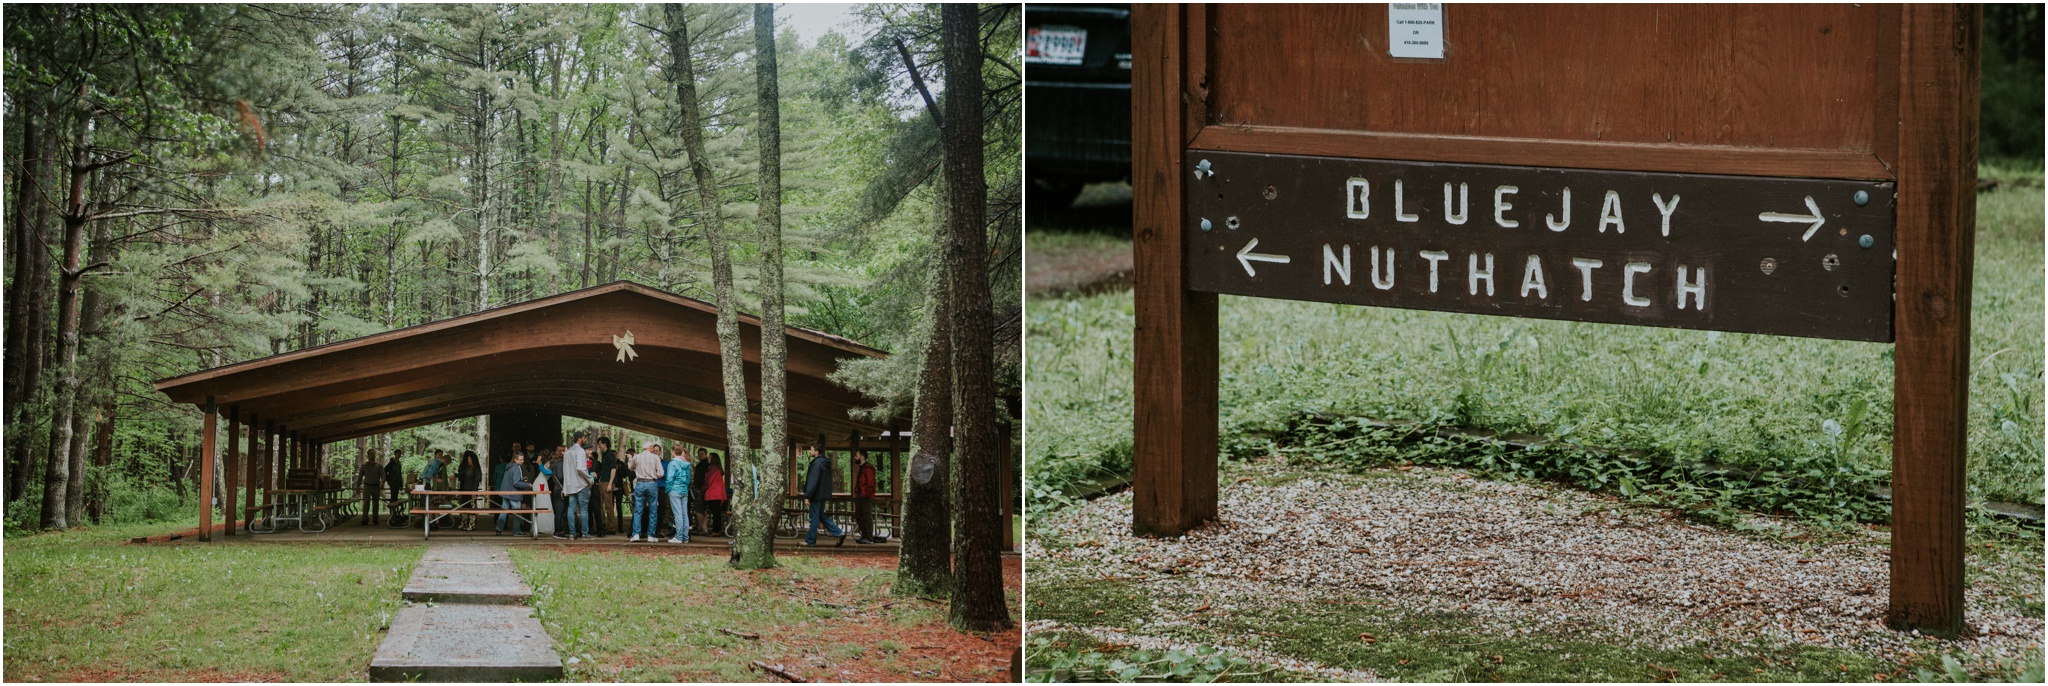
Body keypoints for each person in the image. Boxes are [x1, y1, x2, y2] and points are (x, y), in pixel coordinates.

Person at [801, 443, 847, 547]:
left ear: (816, 452)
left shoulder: (817, 464)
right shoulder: (825, 463)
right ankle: (838, 533)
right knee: (821, 515)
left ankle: (810, 541)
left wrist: (807, 495)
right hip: (823, 495)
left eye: (811, 450)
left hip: (816, 495)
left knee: (813, 518)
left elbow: (813, 481)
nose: (810, 451)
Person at [628, 440, 665, 542]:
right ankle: (651, 535)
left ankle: (636, 534)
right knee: (653, 510)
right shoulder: (655, 457)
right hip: (652, 483)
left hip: (639, 483)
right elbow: (661, 473)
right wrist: (653, 475)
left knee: (638, 510)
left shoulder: (637, 457)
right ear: (651, 447)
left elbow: (631, 468)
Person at [496, 452, 535, 536]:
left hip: (505, 492)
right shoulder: (517, 468)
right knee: (517, 513)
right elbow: (516, 483)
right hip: (514, 493)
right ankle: (516, 531)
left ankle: (498, 529)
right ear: (515, 459)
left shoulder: (509, 467)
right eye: (520, 460)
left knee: (504, 511)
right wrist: (528, 484)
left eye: (523, 459)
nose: (522, 461)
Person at [562, 434, 593, 540]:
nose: (585, 440)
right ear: (579, 439)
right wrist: (589, 479)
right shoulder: (580, 451)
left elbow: (565, 470)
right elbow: (581, 468)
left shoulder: (568, 452)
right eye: (584, 438)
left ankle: (572, 533)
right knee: (584, 509)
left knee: (571, 509)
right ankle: (585, 533)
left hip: (570, 484)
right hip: (580, 484)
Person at [664, 443, 693, 543]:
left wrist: (668, 489)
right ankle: (685, 537)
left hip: (674, 490)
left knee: (678, 514)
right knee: (684, 514)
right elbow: (688, 478)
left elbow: (669, 478)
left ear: (673, 452)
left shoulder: (672, 464)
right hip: (684, 490)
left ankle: (679, 537)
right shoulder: (687, 464)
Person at [852, 450, 879, 543]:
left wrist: (865, 494)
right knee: (859, 516)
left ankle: (869, 537)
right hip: (861, 495)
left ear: (862, 457)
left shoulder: (868, 469)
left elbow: (870, 484)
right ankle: (864, 536)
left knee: (866, 516)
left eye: (857, 456)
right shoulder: (862, 469)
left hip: (865, 496)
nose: (855, 457)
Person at [593, 437, 617, 537]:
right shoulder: (603, 455)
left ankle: (611, 527)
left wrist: (610, 483)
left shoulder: (610, 454)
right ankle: (601, 525)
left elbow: (613, 469)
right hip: (602, 481)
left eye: (600, 444)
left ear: (605, 444)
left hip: (607, 482)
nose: (599, 446)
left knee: (608, 505)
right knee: (600, 505)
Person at [700, 451, 728, 537]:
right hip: (718, 493)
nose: (708, 458)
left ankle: (716, 530)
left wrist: (702, 489)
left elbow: (708, 481)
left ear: (713, 459)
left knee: (715, 513)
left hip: (714, 494)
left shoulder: (713, 468)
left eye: (709, 457)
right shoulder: (717, 468)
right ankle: (716, 529)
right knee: (716, 512)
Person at [457, 450, 483, 531]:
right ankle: (464, 523)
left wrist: (474, 492)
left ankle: (472, 524)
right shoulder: (468, 468)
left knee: (472, 508)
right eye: (468, 460)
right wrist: (455, 475)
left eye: (470, 460)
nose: (468, 461)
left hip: (471, 490)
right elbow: (462, 474)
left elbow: (476, 482)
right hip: (465, 490)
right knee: (465, 507)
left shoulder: (476, 469)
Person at [357, 451, 384, 525]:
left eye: (373, 454)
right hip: (367, 486)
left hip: (376, 486)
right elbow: (360, 477)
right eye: (371, 454)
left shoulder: (379, 466)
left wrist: (382, 483)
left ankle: (375, 518)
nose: (372, 456)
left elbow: (383, 475)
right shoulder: (364, 466)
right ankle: (365, 519)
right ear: (368, 455)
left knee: (376, 504)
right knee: (366, 504)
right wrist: (357, 487)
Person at [383, 448, 408, 527]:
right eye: (398, 454)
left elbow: (399, 474)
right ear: (395, 454)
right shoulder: (392, 463)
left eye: (400, 454)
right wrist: (388, 480)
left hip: (397, 483)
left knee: (395, 498)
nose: (399, 455)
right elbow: (385, 470)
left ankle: (395, 514)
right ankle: (392, 515)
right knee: (393, 498)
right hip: (392, 483)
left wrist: (401, 484)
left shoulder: (399, 463)